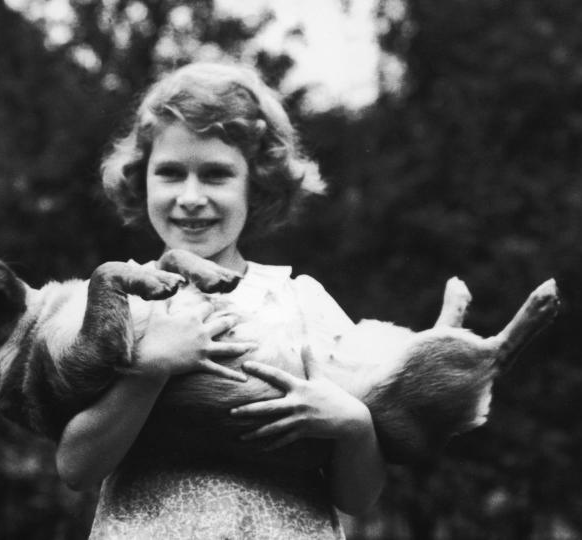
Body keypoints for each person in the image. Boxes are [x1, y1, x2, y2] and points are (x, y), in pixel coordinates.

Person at [56, 62, 383, 539]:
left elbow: (357, 497)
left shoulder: (299, 302)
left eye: (215, 175)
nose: (190, 197)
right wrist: (150, 371)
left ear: (258, 183)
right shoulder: (119, 303)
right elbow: (75, 467)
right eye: (170, 173)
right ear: (141, 179)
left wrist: (356, 426)